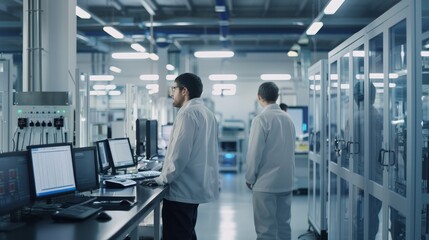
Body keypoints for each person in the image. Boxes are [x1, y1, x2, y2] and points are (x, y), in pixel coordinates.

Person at [142, 73, 220, 240]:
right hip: (194, 187)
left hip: (182, 192)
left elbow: (179, 155)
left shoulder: (187, 114)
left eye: (174, 89)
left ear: (184, 91)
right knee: (187, 233)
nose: (172, 93)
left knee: (177, 235)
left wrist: (162, 179)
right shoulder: (207, 113)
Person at [245, 82, 296, 240]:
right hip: (286, 182)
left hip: (265, 184)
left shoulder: (261, 119)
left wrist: (249, 178)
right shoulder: (288, 118)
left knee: (265, 230)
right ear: (277, 97)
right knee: (284, 226)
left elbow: (254, 152)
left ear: (259, 97)